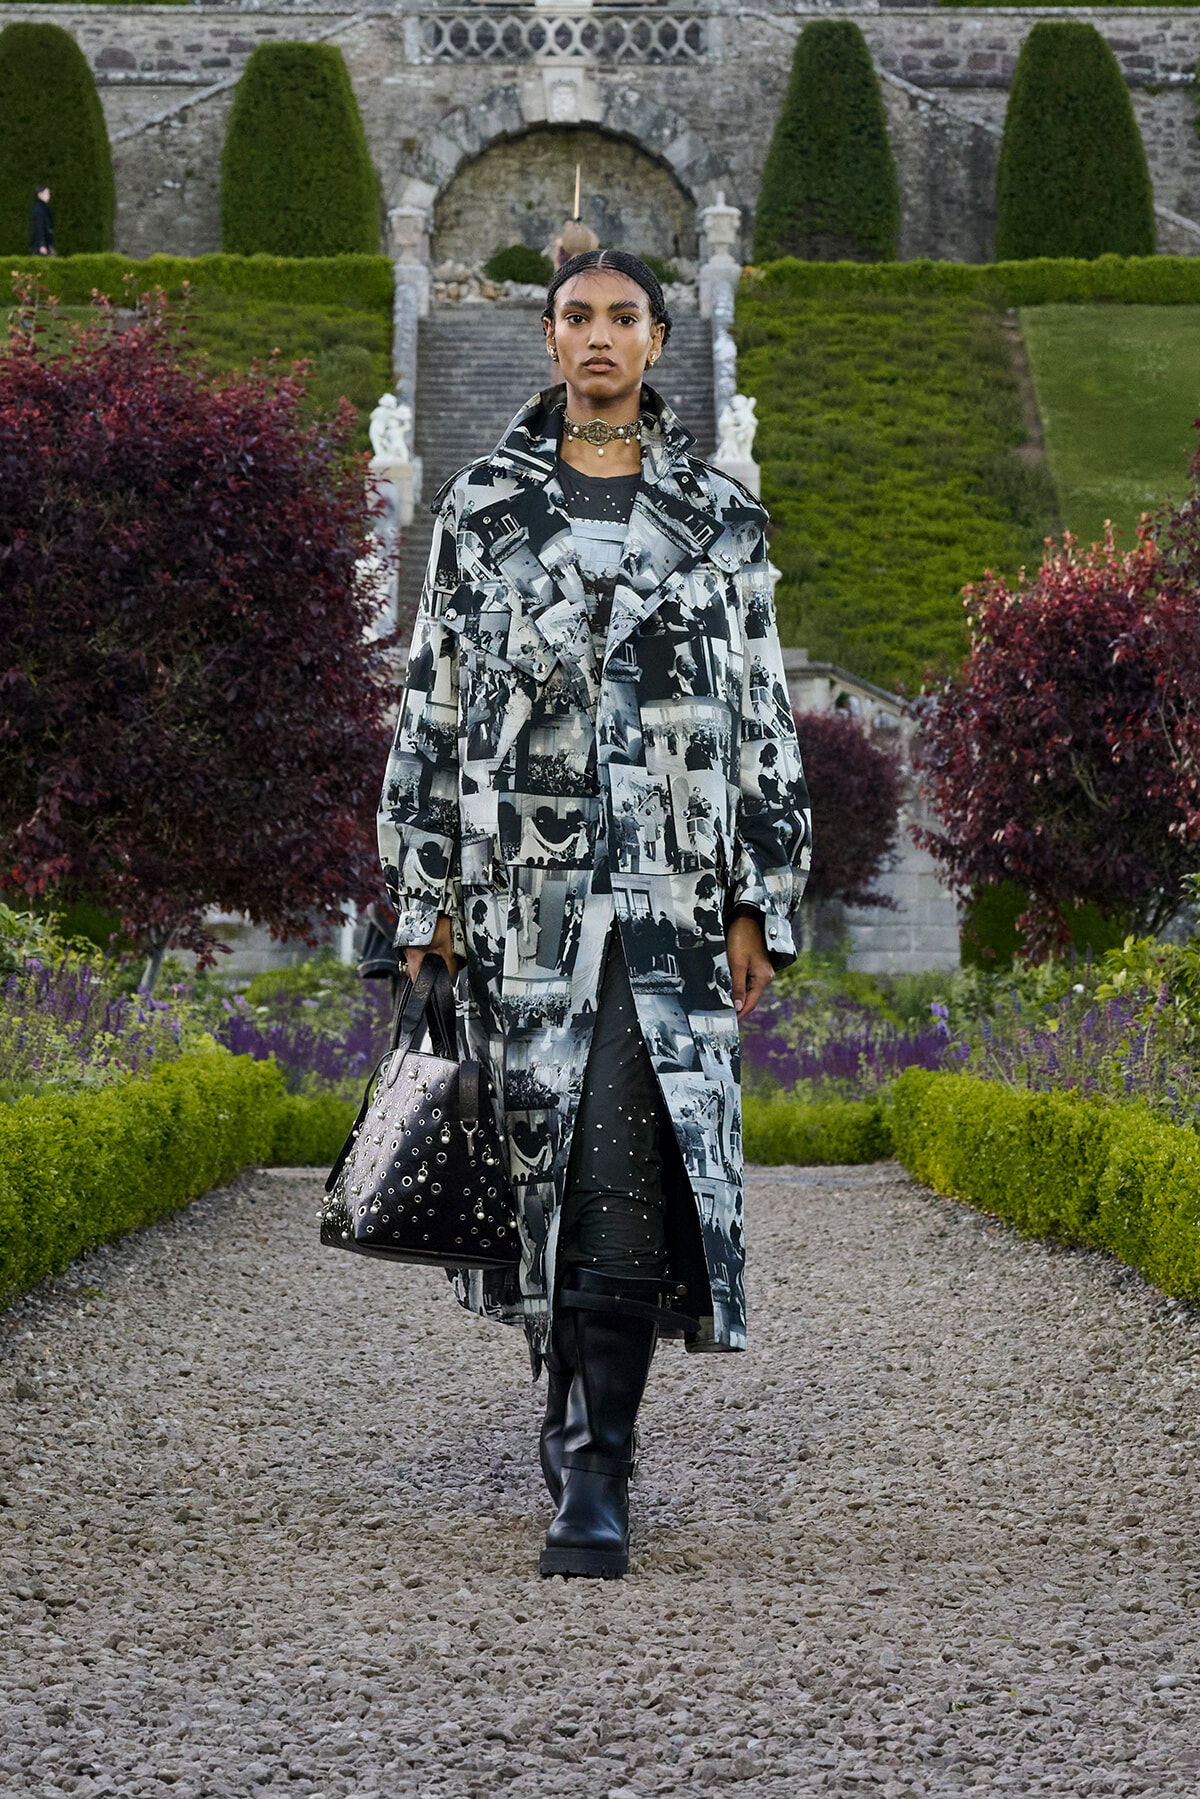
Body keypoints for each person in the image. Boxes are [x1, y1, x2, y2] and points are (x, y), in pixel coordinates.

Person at [379, 248, 811, 1580]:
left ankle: (595, 1470)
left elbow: (763, 709)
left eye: (625, 317)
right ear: (553, 342)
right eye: (579, 317)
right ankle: (567, 1418)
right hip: (523, 895)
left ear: (661, 340)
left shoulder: (718, 514)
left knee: (626, 1161)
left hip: (672, 899)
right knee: (544, 1170)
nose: (602, 337)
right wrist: (424, 893)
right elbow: (434, 702)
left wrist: (763, 891)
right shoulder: (486, 506)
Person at [29, 186, 54, 257]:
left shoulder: (44, 208)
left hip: (45, 244)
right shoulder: (39, 210)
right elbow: (39, 227)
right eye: (47, 193)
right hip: (40, 246)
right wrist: (42, 244)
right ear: (40, 195)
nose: (49, 196)